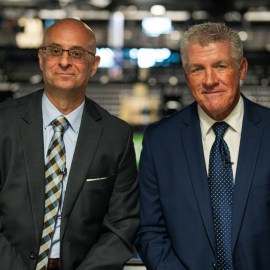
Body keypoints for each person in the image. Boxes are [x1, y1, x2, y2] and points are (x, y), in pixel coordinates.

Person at [0, 18, 139, 270]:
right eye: (55, 51)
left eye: (77, 53)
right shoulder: (3, 122)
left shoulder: (116, 135)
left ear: (94, 65)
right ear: (41, 58)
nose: (65, 61)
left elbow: (122, 224)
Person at [136, 22, 270, 270]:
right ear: (187, 76)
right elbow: (149, 230)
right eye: (198, 69)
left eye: (220, 66)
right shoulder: (159, 140)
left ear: (241, 69)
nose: (210, 80)